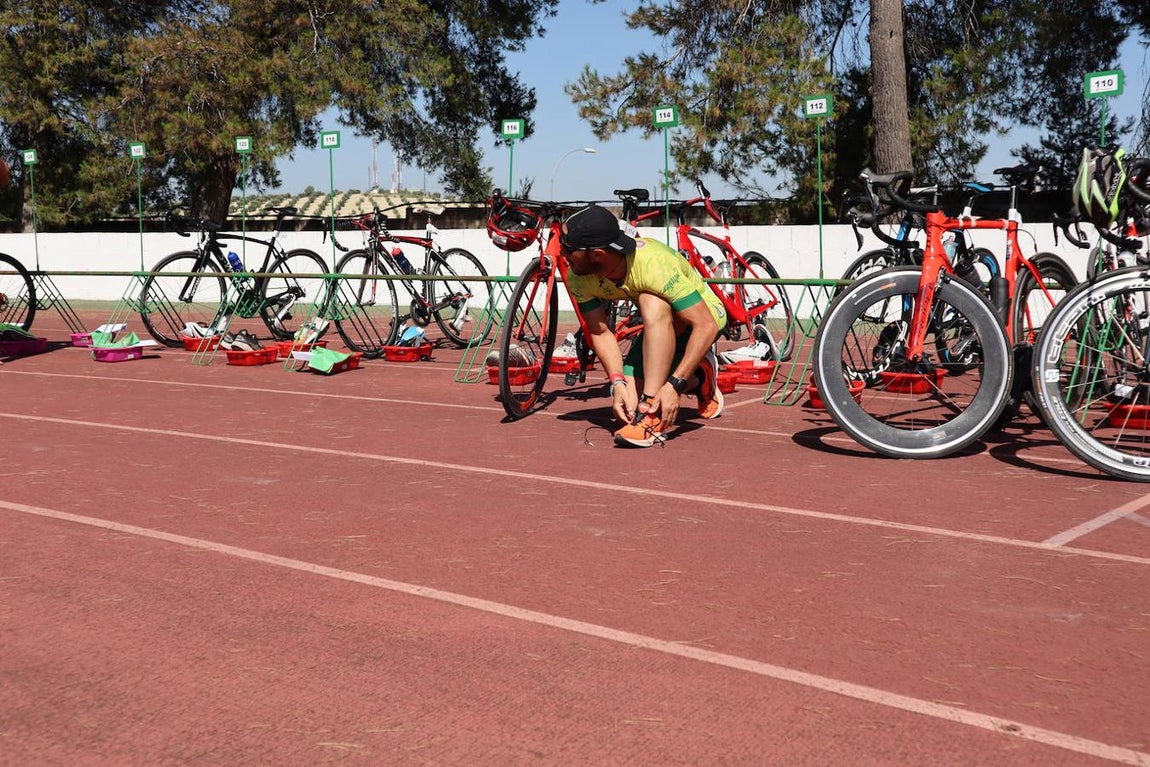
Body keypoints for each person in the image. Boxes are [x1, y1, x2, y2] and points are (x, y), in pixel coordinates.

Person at [560, 203, 727, 447]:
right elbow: (601, 331)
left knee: (652, 300)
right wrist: (616, 382)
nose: (564, 255)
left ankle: (652, 411)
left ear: (596, 253)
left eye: (569, 249)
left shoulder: (652, 263)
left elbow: (706, 325)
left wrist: (674, 385)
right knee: (626, 410)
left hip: (702, 319)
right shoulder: (578, 276)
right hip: (661, 329)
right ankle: (701, 377)